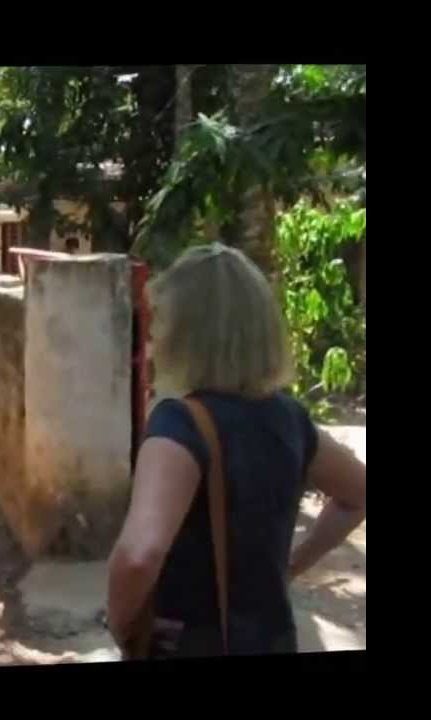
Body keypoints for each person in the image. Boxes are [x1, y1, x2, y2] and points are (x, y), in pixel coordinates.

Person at [105, 243, 366, 659]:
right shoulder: (290, 417)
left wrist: (120, 626)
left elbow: (139, 555)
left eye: (161, 321)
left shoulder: (178, 424)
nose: (153, 333)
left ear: (187, 332)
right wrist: (289, 568)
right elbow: (357, 496)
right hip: (273, 638)